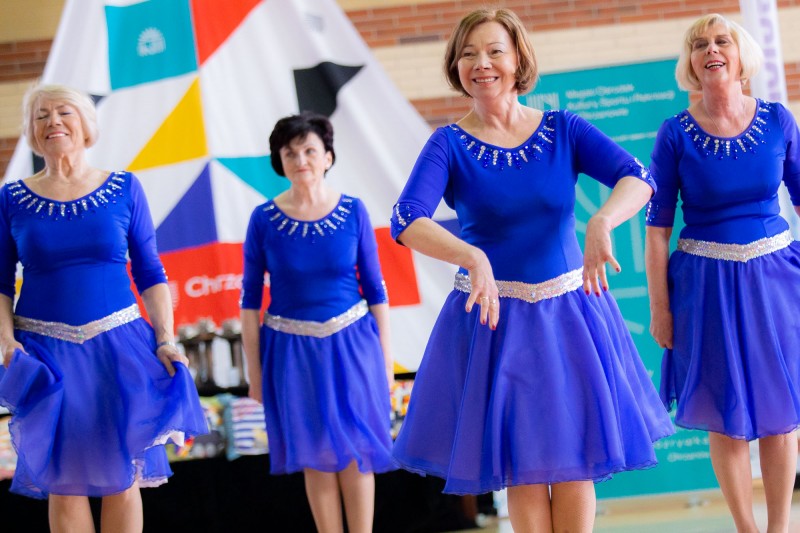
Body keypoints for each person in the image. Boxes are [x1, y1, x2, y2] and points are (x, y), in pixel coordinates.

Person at [390, 8, 674, 533]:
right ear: (456, 67)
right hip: (496, 322)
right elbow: (406, 219)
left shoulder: (563, 129)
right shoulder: (448, 144)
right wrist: (471, 256)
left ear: (518, 59)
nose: (482, 63)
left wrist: (603, 221)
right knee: (523, 468)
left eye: (494, 51)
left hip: (570, 317)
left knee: (575, 462)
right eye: (469, 54)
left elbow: (638, 177)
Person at [0, 84, 208, 531]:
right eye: (41, 116)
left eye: (64, 112)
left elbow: (150, 272)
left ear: (86, 125)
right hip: (46, 354)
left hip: (119, 349)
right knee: (63, 480)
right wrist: (6, 342)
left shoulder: (124, 188)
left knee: (122, 475)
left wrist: (166, 339)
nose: (53, 121)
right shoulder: (10, 198)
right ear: (32, 133)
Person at [645, 13, 800, 533]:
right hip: (705, 290)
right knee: (725, 416)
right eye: (699, 44)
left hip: (777, 285)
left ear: (741, 56)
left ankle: (779, 528)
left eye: (721, 41)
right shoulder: (673, 134)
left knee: (782, 414)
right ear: (690, 63)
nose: (710, 50)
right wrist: (661, 310)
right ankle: (746, 529)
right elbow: (657, 231)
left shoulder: (778, 120)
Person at [240, 112, 395, 533]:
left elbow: (376, 291)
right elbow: (249, 303)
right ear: (279, 161)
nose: (301, 160)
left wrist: (385, 362)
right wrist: (255, 373)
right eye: (290, 153)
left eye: (309, 150)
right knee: (315, 454)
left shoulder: (354, 210)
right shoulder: (262, 219)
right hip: (292, 353)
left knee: (357, 450)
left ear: (328, 157)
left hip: (354, 346)